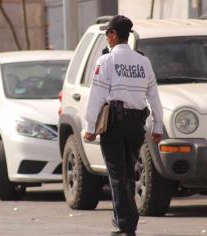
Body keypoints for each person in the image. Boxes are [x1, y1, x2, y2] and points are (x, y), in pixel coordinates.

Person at [83, 15, 163, 236]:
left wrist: (89, 127)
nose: (106, 39)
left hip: (114, 126)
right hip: (136, 126)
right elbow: (154, 96)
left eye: (107, 34)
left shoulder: (106, 61)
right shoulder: (143, 61)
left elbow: (96, 96)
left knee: (117, 175)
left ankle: (126, 224)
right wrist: (158, 126)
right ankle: (126, 219)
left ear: (113, 34)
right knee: (128, 173)